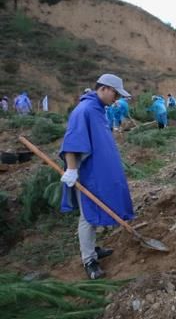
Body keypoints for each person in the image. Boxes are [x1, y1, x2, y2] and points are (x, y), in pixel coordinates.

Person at [59, 73, 134, 280]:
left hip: (100, 175)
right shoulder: (83, 111)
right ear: (104, 88)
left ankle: (93, 248)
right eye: (115, 94)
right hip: (88, 176)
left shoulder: (97, 109)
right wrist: (72, 170)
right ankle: (89, 260)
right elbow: (71, 143)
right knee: (88, 217)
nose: (116, 99)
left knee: (94, 213)